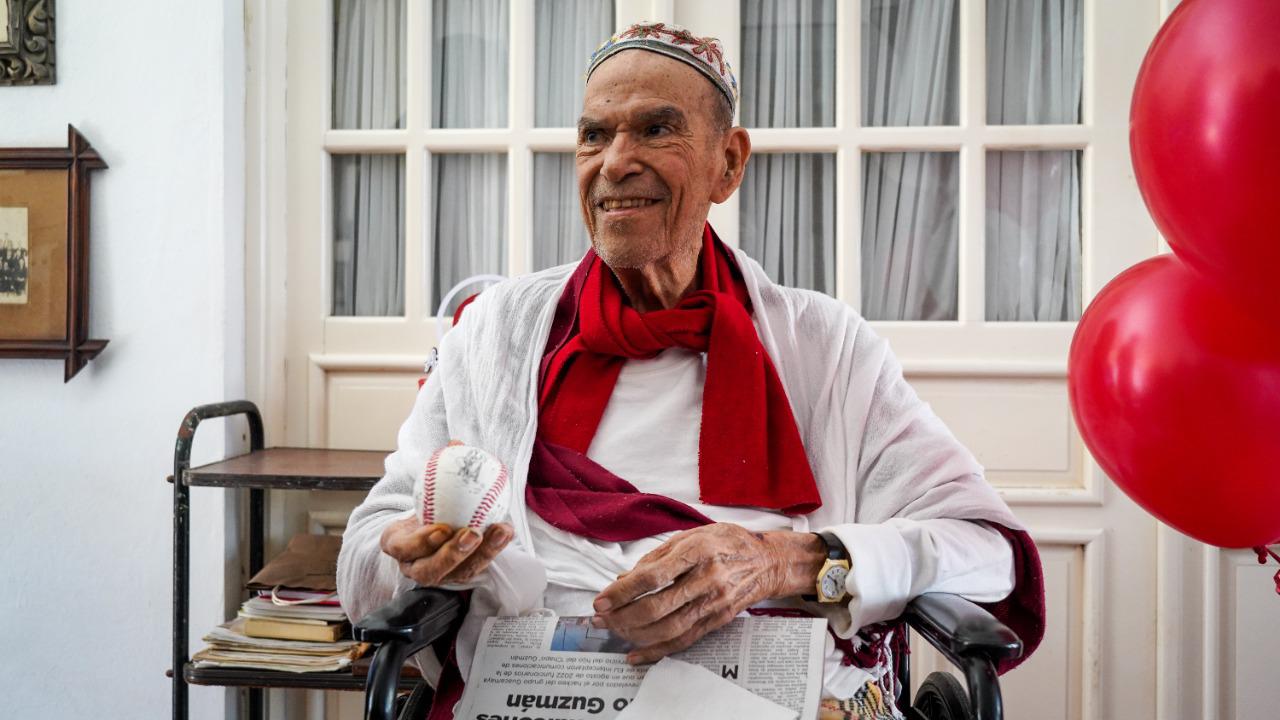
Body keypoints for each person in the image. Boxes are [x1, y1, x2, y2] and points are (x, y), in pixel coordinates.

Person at [338, 22, 1043, 720]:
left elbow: (986, 552)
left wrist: (782, 562)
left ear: (728, 164)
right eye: (593, 135)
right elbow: (368, 553)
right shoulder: (494, 333)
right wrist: (409, 556)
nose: (614, 162)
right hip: (535, 691)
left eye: (654, 130)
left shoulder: (825, 346)